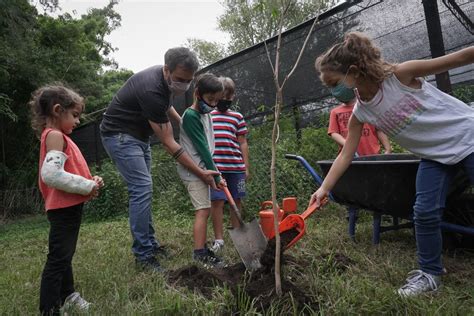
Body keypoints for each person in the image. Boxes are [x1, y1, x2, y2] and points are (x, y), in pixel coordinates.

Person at [310, 32, 474, 297]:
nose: (333, 90)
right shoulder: (361, 111)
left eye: (334, 82)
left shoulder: (401, 75)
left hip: (467, 138)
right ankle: (430, 275)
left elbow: (463, 56)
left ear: (353, 71)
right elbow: (345, 155)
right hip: (434, 156)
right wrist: (324, 189)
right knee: (423, 212)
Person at [100, 47, 219, 272]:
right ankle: (143, 255)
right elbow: (169, 143)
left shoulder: (163, 82)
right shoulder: (152, 90)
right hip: (120, 135)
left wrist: (185, 124)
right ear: (166, 70)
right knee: (141, 188)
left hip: (138, 136)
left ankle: (151, 245)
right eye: (180, 79)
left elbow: (168, 107)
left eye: (188, 80)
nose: (183, 84)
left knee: (145, 188)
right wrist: (200, 172)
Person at [29, 85, 104, 315]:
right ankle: (49, 309)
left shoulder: (58, 136)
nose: (78, 121)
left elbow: (64, 170)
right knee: (58, 259)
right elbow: (51, 174)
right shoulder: (54, 135)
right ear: (57, 110)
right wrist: (87, 185)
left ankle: (68, 295)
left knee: (64, 254)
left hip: (67, 206)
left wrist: (90, 179)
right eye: (74, 115)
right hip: (63, 208)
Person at [177, 73, 226, 268]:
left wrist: (214, 171)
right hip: (194, 171)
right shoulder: (191, 116)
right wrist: (217, 173)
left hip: (203, 168)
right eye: (210, 99)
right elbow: (202, 147)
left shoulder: (204, 114)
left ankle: (202, 249)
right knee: (203, 210)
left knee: (205, 208)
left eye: (217, 101)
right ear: (197, 94)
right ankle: (199, 253)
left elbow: (208, 147)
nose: (213, 104)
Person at [328, 97, 391, 239]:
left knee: (375, 187)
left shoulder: (366, 107)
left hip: (371, 157)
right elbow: (333, 132)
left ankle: (381, 211)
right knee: (354, 189)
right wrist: (348, 144)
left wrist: (387, 148)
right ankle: (353, 211)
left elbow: (378, 129)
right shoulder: (335, 112)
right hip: (350, 160)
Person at [208, 77, 250, 253]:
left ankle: (238, 234)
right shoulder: (208, 116)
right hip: (216, 169)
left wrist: (246, 166)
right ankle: (219, 239)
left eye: (228, 96)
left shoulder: (237, 117)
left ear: (232, 96)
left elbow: (243, 142)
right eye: (221, 96)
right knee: (217, 201)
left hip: (236, 168)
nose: (225, 100)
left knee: (236, 200)